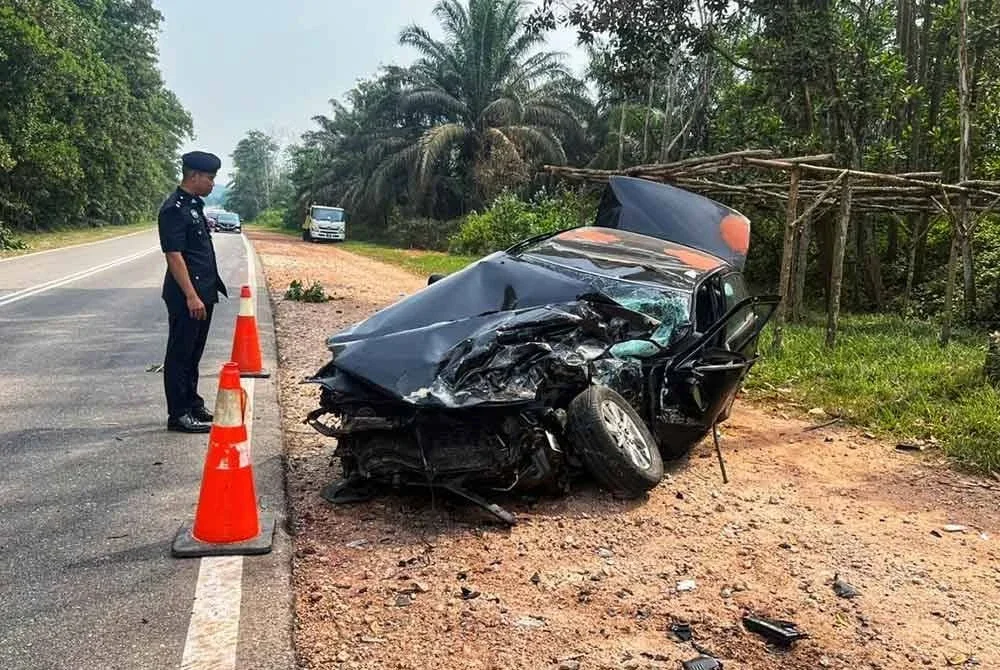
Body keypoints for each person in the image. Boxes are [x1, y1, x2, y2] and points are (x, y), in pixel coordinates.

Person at [158, 151, 228, 433]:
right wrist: (191, 295)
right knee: (180, 353)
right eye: (210, 178)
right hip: (187, 295)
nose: (212, 183)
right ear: (194, 176)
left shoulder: (194, 206)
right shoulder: (174, 209)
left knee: (194, 352)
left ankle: (192, 402)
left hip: (203, 291)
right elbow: (174, 256)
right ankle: (178, 414)